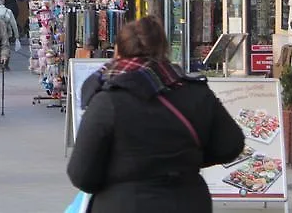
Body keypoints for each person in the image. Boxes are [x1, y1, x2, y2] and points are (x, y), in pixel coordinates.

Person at [67, 16, 245, 213]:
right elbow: (231, 144)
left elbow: (81, 174)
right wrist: (188, 160)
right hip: (188, 201)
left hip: (125, 203)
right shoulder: (197, 93)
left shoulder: (107, 101)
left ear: (119, 51)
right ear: (163, 49)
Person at [0, 0, 21, 70]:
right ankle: (6, 64)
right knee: (6, 47)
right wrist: (17, 36)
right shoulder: (9, 11)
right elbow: (14, 24)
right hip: (7, 33)